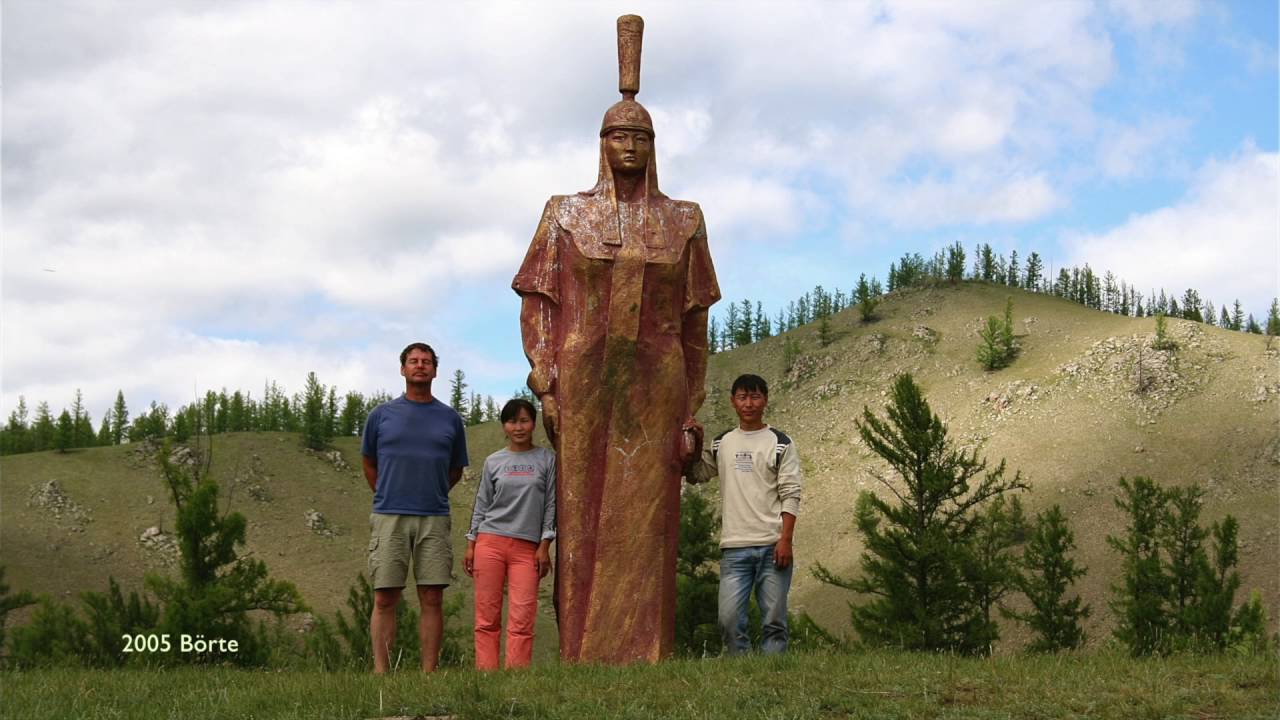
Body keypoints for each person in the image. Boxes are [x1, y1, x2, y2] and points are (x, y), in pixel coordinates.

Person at [512, 15, 719, 663]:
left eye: (640, 136)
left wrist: (690, 406)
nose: (629, 146)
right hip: (584, 378)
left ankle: (645, 651)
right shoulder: (566, 213)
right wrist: (545, 382)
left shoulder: (683, 220)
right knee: (581, 509)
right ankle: (583, 649)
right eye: (618, 135)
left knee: (650, 513)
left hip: (656, 381)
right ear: (601, 141)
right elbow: (539, 303)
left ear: (653, 146)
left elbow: (694, 324)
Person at [361, 342, 469, 673]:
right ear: (403, 369)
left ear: (435, 370)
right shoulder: (381, 416)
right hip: (389, 515)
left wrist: (431, 491)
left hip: (433, 517)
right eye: (413, 361)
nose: (420, 366)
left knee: (432, 598)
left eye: (426, 361)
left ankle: (429, 673)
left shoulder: (450, 419)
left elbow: (455, 470)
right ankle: (381, 673)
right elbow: (368, 462)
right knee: (384, 598)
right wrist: (389, 492)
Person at [686, 374, 802, 655]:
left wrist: (785, 539)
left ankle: (773, 673)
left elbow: (791, 493)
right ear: (733, 401)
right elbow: (697, 474)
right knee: (728, 619)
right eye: (742, 397)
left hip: (772, 546)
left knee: (774, 621)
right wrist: (693, 441)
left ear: (765, 399)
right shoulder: (722, 442)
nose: (749, 403)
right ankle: (742, 668)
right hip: (734, 548)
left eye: (755, 397)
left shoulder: (780, 443)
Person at [463, 398, 556, 670]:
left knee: (522, 616)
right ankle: (486, 675)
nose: (518, 427)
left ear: (533, 424)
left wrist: (545, 545)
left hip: (527, 548)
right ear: (504, 425)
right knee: (486, 617)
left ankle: (516, 675)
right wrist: (471, 544)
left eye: (524, 420)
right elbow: (481, 504)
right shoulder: (494, 461)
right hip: (489, 542)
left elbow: (551, 504)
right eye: (512, 421)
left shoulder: (547, 460)